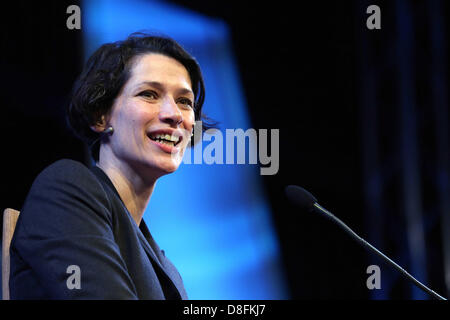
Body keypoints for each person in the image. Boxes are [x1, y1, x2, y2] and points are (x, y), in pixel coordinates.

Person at [9, 32, 214, 299]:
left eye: (184, 101)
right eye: (149, 94)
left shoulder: (166, 267)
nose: (174, 115)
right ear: (101, 116)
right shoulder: (66, 189)